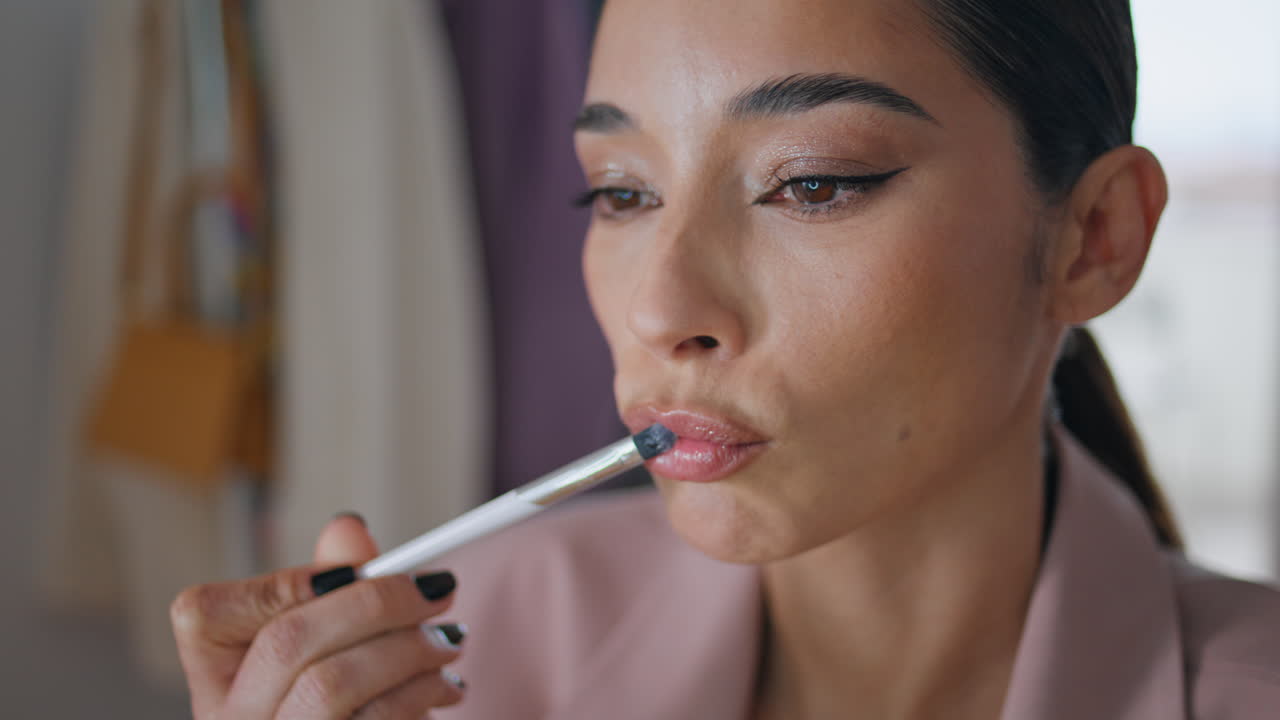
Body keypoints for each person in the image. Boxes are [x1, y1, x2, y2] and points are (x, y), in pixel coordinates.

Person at [170, 1, 1280, 717]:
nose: (661, 308)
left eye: (811, 182)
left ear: (1093, 238)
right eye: (622, 192)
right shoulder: (460, 663)